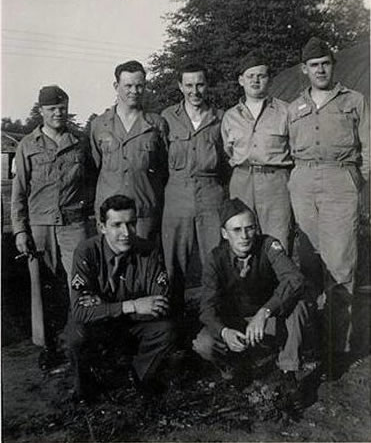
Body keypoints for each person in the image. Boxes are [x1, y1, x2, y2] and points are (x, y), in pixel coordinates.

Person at [287, 37, 369, 370]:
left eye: (325, 63)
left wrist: (353, 181)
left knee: (340, 265)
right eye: (314, 65)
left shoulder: (355, 100)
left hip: (340, 182)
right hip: (304, 184)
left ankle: (336, 350)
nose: (320, 70)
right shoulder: (294, 107)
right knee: (308, 265)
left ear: (332, 66)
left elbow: (369, 148)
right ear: (304, 70)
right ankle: (309, 342)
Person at [11, 85, 95, 370]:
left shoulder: (79, 141)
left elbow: (92, 182)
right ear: (41, 111)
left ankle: (81, 342)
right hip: (40, 226)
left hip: (74, 224)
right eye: (51, 109)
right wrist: (20, 230)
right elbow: (19, 191)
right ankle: (48, 348)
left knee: (81, 284)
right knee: (42, 289)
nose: (58, 113)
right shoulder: (27, 145)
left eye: (62, 108)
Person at [193, 198, 309, 392]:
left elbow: (294, 279)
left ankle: (288, 372)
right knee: (203, 344)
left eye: (250, 228)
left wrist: (265, 312)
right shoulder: (215, 258)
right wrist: (224, 332)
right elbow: (207, 308)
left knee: (297, 305)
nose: (245, 236)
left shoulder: (268, 246)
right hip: (236, 324)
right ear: (224, 234)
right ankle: (232, 369)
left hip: (268, 319)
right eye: (236, 230)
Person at [68, 195, 176, 402]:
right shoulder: (86, 251)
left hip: (129, 323)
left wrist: (105, 307)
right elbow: (81, 311)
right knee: (76, 333)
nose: (126, 233)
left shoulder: (148, 250)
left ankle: (139, 376)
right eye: (117, 225)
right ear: (102, 226)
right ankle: (86, 388)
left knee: (166, 329)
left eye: (131, 224)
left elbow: (160, 303)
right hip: (104, 325)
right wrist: (134, 305)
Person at [161, 63, 227, 316]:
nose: (194, 90)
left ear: (206, 85)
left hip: (211, 194)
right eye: (188, 85)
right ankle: (174, 329)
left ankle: (214, 321)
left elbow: (226, 162)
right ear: (180, 86)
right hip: (176, 195)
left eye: (199, 84)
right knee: (173, 264)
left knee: (215, 259)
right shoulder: (167, 118)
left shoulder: (220, 118)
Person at [221, 52, 292, 252]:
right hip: (242, 180)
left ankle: (280, 283)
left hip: (275, 182)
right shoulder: (230, 116)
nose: (255, 80)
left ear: (269, 79)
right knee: (243, 241)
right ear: (241, 80)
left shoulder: (286, 111)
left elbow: (294, 149)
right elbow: (228, 150)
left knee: (278, 240)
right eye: (250, 76)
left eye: (261, 75)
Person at [90, 60, 168, 241]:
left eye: (139, 86)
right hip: (110, 215)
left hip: (144, 213)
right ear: (116, 86)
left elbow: (163, 170)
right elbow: (93, 170)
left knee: (144, 264)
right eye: (128, 86)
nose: (134, 91)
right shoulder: (99, 125)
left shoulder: (157, 124)